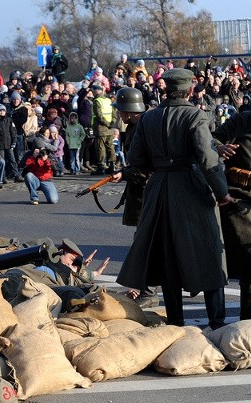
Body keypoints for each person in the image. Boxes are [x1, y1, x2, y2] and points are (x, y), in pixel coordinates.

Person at [116, 68, 233, 330]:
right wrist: (222, 190)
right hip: (191, 188)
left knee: (168, 256)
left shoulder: (148, 118)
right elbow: (206, 157)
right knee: (210, 252)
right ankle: (217, 322)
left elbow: (136, 160)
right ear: (190, 90)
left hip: (158, 189)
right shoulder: (195, 115)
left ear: (165, 89)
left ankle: (176, 321)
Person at [108, 87, 157, 308]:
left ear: (127, 111)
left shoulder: (142, 128)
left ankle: (148, 291)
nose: (119, 114)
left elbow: (148, 167)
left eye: (121, 110)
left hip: (149, 192)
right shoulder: (137, 127)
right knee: (147, 241)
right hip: (143, 191)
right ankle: (145, 288)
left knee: (145, 243)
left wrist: (125, 173)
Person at [212, 109, 251, 320]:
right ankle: (247, 322)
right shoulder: (243, 119)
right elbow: (212, 138)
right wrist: (220, 147)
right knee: (249, 264)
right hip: (240, 196)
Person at [90, 84, 117, 174]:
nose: (92, 93)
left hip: (100, 128)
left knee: (100, 147)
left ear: (97, 91)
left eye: (93, 91)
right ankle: (112, 165)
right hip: (109, 128)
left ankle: (101, 166)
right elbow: (114, 113)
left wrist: (106, 124)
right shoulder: (108, 100)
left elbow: (99, 115)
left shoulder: (97, 101)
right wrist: (111, 123)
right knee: (110, 147)